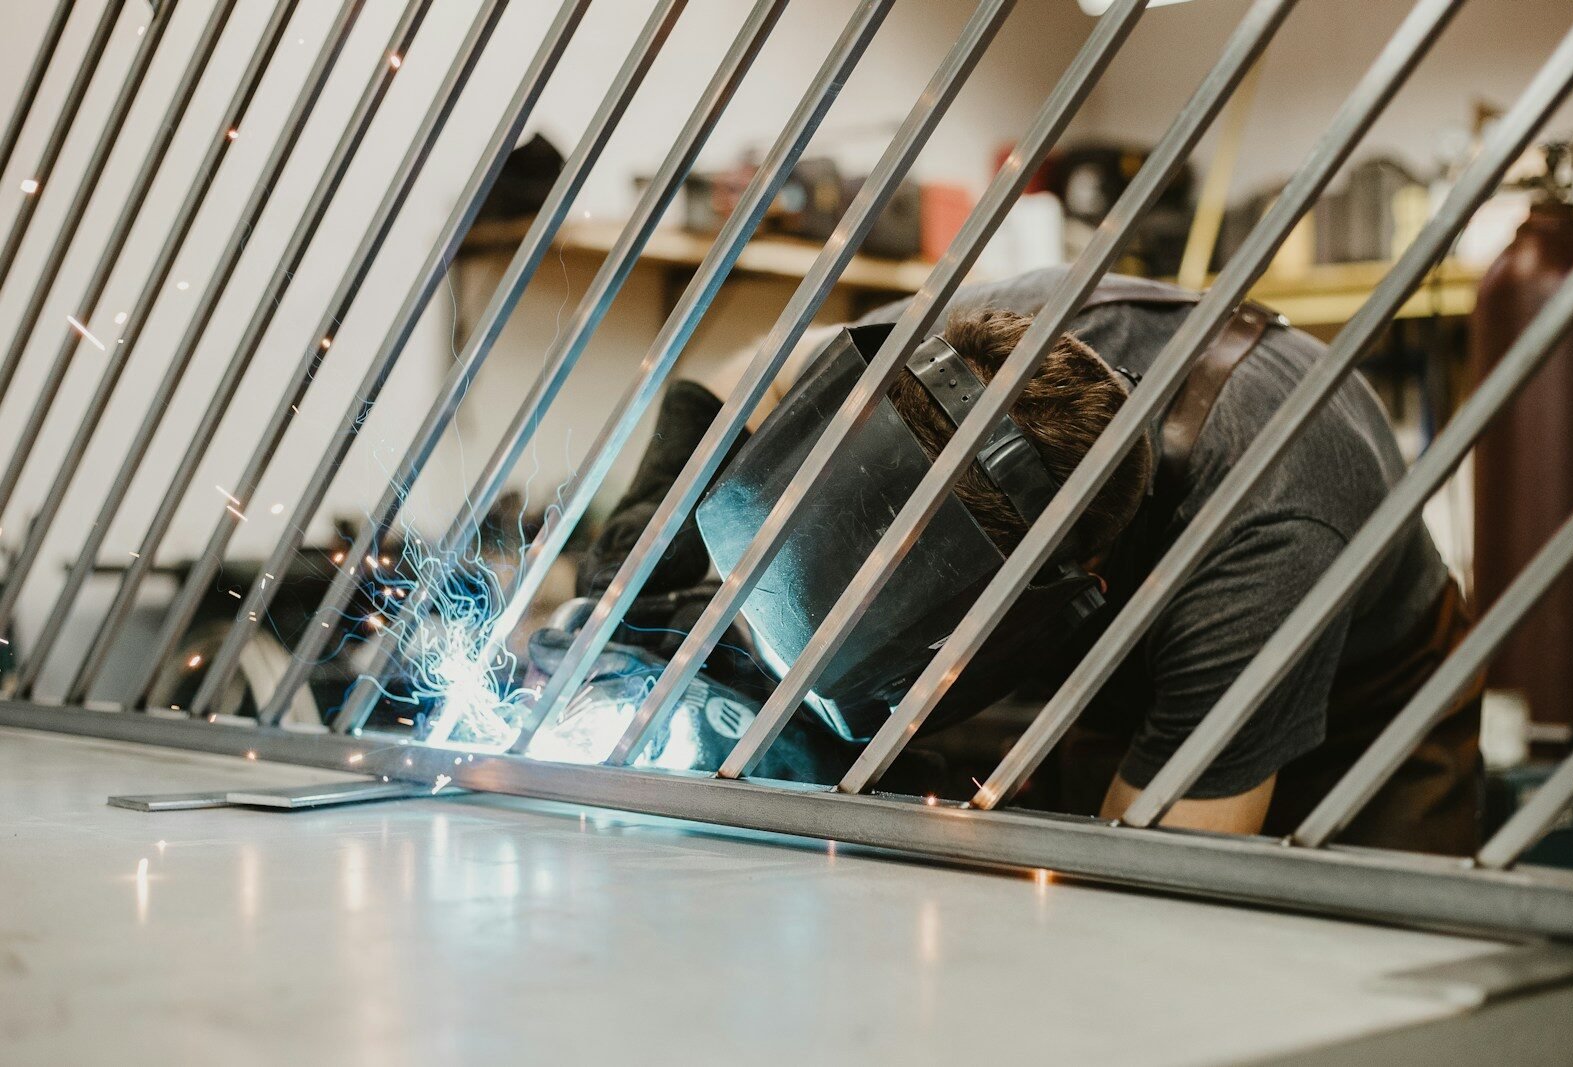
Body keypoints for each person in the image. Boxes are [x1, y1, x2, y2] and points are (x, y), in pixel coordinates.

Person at [573, 266, 1481, 853]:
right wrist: (657, 525)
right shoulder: (960, 348)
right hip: (1143, 659)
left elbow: (1163, 877)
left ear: (1072, 593)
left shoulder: (1261, 546)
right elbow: (756, 364)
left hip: (1371, 723)